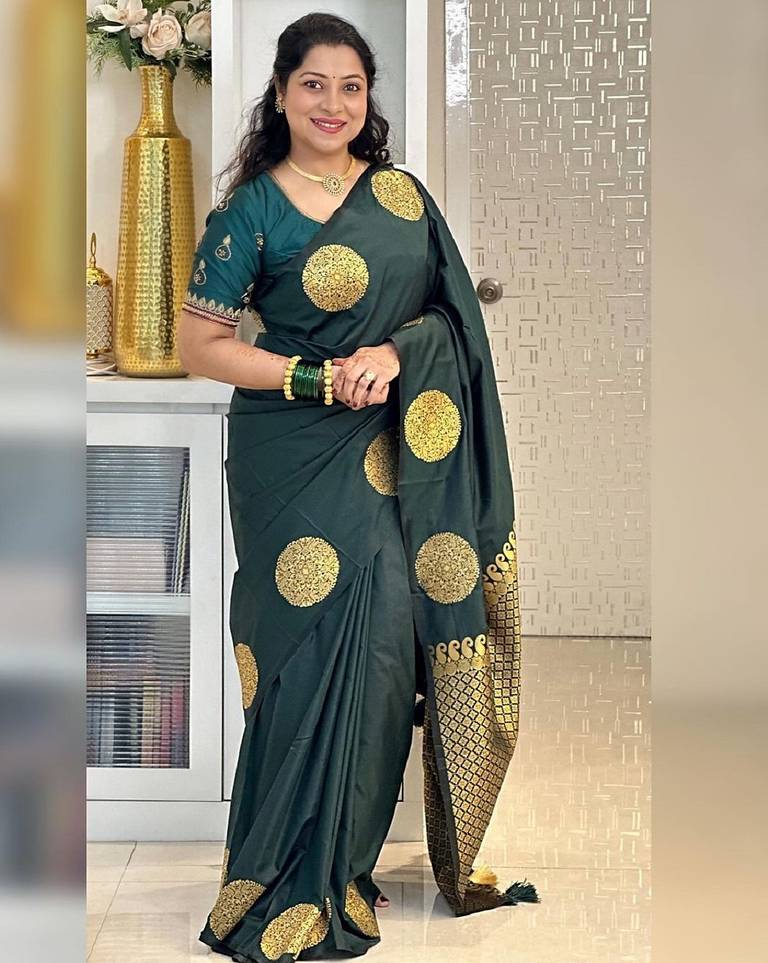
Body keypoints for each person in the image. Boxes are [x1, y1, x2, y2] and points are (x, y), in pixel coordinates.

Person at [177, 12, 538, 963]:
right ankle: (281, 864)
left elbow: (453, 321)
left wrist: (397, 351)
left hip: (393, 451)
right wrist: (313, 376)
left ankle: (343, 860)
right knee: (299, 657)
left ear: (367, 99)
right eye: (313, 84)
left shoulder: (402, 199)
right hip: (290, 452)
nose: (332, 104)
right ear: (281, 94)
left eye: (351, 86)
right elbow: (199, 344)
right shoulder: (250, 212)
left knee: (382, 637)